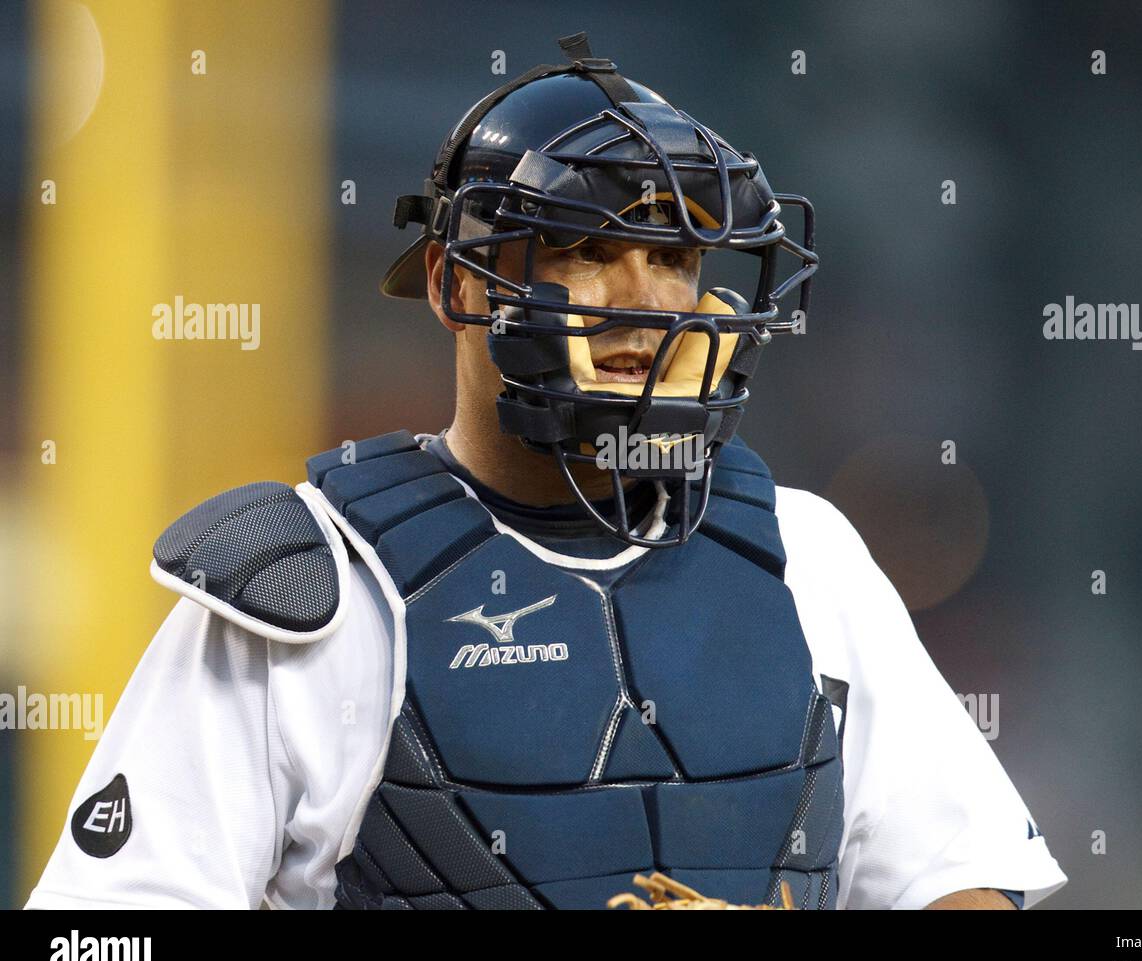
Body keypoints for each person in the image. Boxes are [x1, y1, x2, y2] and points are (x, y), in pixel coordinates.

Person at [26, 32, 1066, 910]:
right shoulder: (309, 589)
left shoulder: (807, 557)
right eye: (582, 250)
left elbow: (961, 875)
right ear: (452, 283)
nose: (644, 299)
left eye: (675, 257)